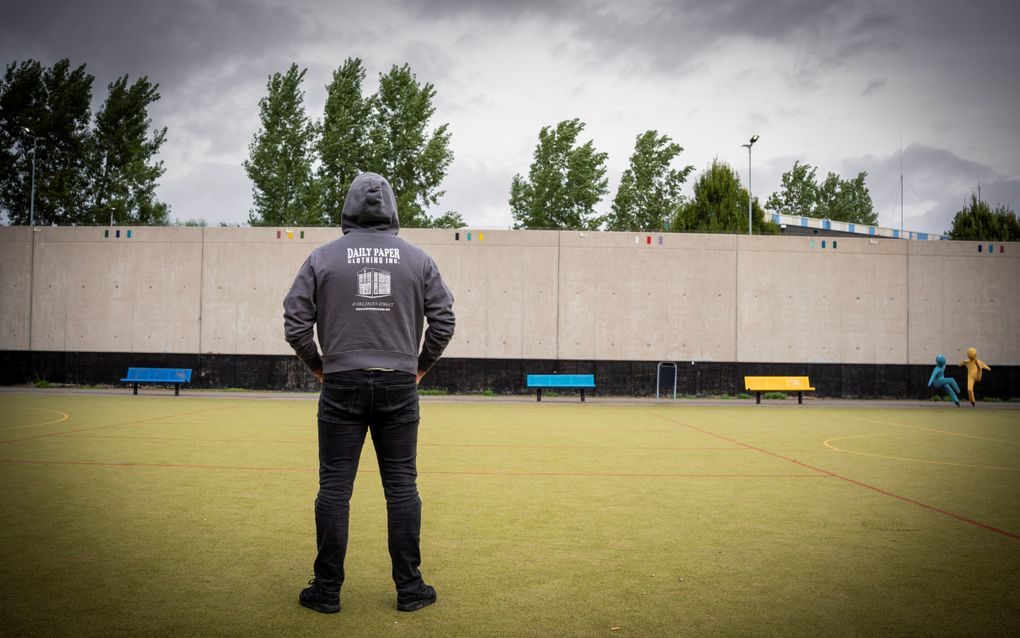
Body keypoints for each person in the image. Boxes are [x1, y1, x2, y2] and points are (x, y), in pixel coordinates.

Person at [284, 172, 455, 614]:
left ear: (349, 206)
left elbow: (295, 321)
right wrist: (419, 367)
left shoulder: (322, 258)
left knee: (334, 488)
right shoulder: (419, 260)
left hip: (341, 382)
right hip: (399, 383)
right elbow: (444, 321)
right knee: (401, 487)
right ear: (392, 209)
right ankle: (410, 589)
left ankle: (326, 591)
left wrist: (319, 367)